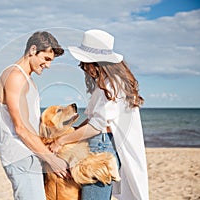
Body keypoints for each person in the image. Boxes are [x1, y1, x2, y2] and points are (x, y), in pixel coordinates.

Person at [50, 29, 149, 199]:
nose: (82, 67)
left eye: (84, 62)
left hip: (101, 147)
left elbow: (97, 126)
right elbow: (93, 119)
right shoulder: (111, 84)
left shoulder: (110, 86)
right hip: (104, 144)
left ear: (96, 62)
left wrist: (60, 141)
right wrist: (72, 131)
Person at [0, 31, 69, 200]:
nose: (48, 65)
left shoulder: (26, 78)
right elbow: (20, 128)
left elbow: (31, 124)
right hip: (20, 155)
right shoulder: (15, 77)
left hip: (30, 153)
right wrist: (51, 159)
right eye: (46, 59)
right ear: (32, 50)